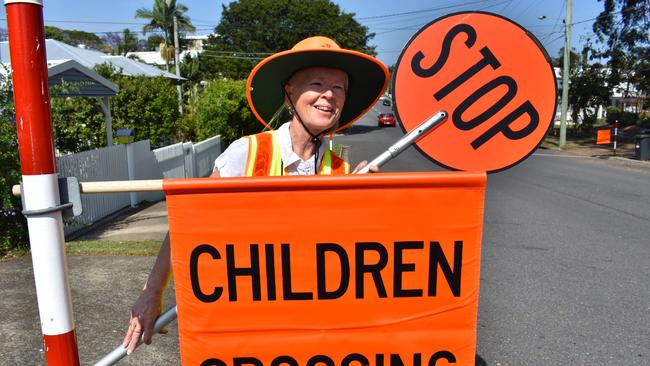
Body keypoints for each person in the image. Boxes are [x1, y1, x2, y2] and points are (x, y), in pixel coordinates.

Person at [122, 36, 389, 354]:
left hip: (314, 333)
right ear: (290, 92)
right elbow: (189, 223)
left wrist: (371, 202)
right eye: (317, 83)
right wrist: (152, 292)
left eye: (339, 88)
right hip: (248, 327)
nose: (329, 95)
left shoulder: (343, 173)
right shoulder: (246, 152)